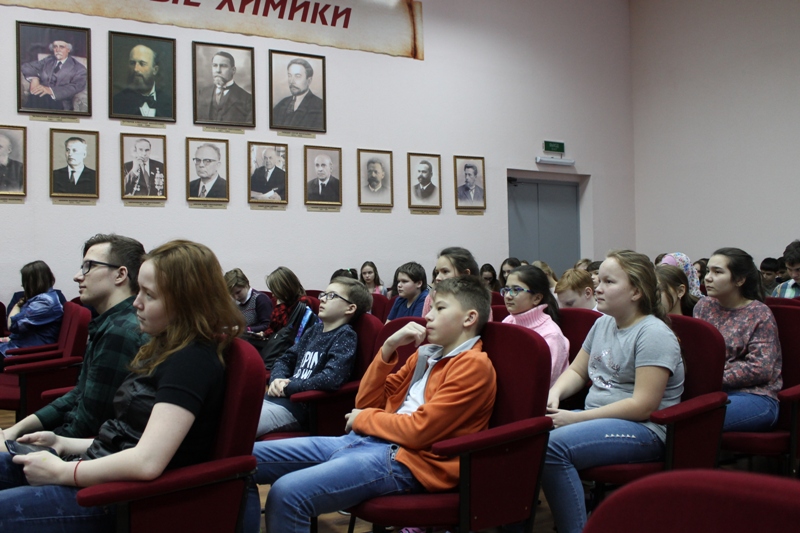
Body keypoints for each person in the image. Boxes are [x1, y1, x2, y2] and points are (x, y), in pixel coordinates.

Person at [0, 239, 242, 531]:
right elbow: (126, 438)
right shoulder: (167, 347)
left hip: (119, 498)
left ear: (186, 302)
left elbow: (147, 461)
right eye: (139, 290)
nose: (137, 302)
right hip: (100, 471)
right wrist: (61, 443)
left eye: (149, 295)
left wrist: (64, 471)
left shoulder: (191, 361)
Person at [249, 276, 496, 531]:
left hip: (407, 461)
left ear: (469, 318)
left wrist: (363, 419)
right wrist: (388, 347)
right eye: (430, 307)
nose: (428, 316)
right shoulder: (426, 355)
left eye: (439, 308)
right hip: (368, 440)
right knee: (247, 461)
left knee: (286, 494)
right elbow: (366, 401)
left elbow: (419, 430)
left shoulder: (472, 365)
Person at [542, 250, 684, 533]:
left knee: (551, 447)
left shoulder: (653, 334)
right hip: (600, 418)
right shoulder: (603, 322)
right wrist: (554, 393)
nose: (598, 288)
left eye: (609, 282)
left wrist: (576, 418)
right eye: (599, 280)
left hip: (645, 430)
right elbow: (578, 371)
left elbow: (643, 406)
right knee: (530, 436)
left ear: (635, 292)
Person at [0, 234, 147, 447]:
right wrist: (16, 430)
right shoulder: (111, 323)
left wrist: (21, 447)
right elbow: (79, 394)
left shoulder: (119, 332)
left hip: (81, 453)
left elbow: (87, 426)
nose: (77, 276)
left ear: (120, 275)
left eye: (88, 267)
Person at [256, 278, 371, 437]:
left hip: (297, 407)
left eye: (332, 296)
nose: (322, 299)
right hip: (275, 397)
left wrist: (289, 387)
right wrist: (277, 378)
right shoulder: (314, 330)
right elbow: (285, 359)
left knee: (239, 427)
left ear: (350, 308)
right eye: (324, 294)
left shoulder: (345, 335)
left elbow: (331, 378)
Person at [694, 247, 782, 432]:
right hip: (711, 391)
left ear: (740, 280)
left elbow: (761, 369)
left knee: (692, 419)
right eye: (708, 271)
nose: (708, 278)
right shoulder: (704, 306)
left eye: (717, 272)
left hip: (755, 396)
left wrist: (710, 377)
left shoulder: (759, 313)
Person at [501, 265, 569, 386]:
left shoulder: (551, 335)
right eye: (506, 289)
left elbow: (544, 384)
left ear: (537, 298)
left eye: (516, 290)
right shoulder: (508, 321)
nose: (508, 296)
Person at [0, 261, 63, 358]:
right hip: (20, 345)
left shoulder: (45, 302)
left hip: (27, 353)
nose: (22, 285)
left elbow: (13, 325)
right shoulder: (40, 299)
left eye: (25, 281)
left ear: (32, 283)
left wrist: (18, 304)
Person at [20, 36, 87, 111]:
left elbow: (76, 87)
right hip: (39, 97)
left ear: (68, 49)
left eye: (61, 47)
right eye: (55, 47)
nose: (57, 50)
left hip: (60, 103)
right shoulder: (49, 60)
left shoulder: (79, 68)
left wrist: (50, 90)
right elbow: (27, 66)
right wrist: (35, 79)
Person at [112, 43, 173, 118]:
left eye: (142, 64)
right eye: (132, 63)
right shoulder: (116, 102)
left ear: (155, 70)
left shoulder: (170, 103)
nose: (136, 69)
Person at [421, 247, 480, 317]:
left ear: (465, 274)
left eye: (445, 271)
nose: (437, 278)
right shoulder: (431, 297)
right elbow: (425, 323)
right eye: (437, 272)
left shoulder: (479, 301)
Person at [197, 51, 253, 124]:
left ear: (233, 70)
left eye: (223, 66)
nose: (218, 70)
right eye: (215, 65)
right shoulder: (203, 93)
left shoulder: (247, 99)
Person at [272, 57, 324, 131]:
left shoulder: (320, 106)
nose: (292, 81)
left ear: (309, 80)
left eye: (297, 76)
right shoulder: (282, 103)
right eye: (289, 76)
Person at [261, 267, 312, 337]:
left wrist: (280, 305)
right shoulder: (285, 301)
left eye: (275, 290)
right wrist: (263, 334)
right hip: (276, 339)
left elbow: (286, 330)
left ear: (284, 288)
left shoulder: (303, 302)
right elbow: (273, 327)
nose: (273, 295)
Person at [224, 268, 273, 334]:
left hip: (257, 338)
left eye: (238, 292)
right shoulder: (234, 304)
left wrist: (245, 329)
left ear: (246, 284)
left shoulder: (260, 299)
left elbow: (267, 326)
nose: (235, 297)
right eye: (232, 294)